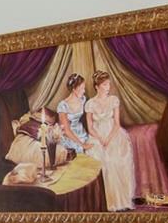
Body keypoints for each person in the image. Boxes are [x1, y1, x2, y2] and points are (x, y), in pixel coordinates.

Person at [86, 70, 136, 211]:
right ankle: (105, 201)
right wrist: (100, 138)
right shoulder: (90, 103)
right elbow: (90, 127)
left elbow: (117, 124)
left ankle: (120, 200)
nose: (108, 87)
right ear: (97, 86)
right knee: (101, 161)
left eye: (108, 84)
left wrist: (108, 139)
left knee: (115, 160)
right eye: (105, 85)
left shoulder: (113, 100)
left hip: (113, 134)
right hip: (97, 135)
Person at [54, 73, 91, 163]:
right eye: (82, 88)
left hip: (80, 131)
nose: (84, 91)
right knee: (78, 156)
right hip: (69, 135)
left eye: (84, 88)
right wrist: (82, 144)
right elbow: (66, 130)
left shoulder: (83, 99)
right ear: (74, 89)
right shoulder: (63, 106)